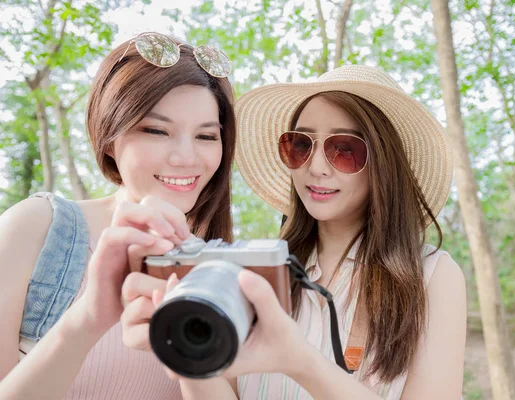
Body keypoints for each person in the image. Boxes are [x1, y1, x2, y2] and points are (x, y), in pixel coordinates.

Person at [121, 65, 467, 400]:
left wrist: (299, 360)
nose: (316, 167)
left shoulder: (433, 277)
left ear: (383, 162)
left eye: (344, 149)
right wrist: (183, 339)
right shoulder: (255, 270)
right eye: (301, 144)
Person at [0, 32, 236, 399]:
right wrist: (87, 319)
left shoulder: (219, 267)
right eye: (157, 131)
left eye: (206, 136)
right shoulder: (38, 227)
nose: (186, 157)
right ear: (109, 136)